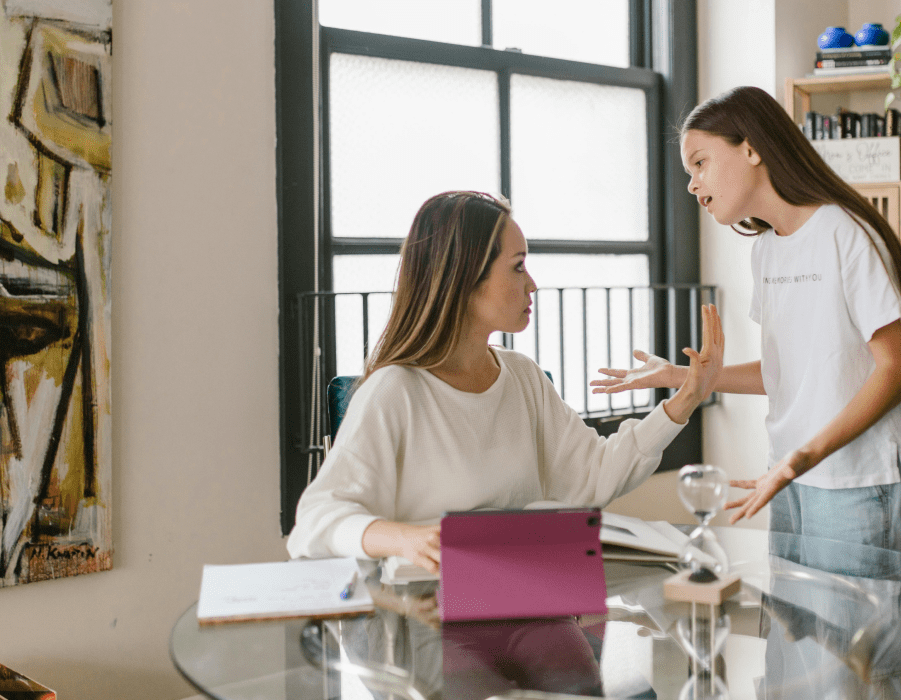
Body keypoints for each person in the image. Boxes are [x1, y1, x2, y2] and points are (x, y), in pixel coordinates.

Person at [592, 87, 901, 556]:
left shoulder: (844, 232)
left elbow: (899, 370)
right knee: (784, 609)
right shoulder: (766, 250)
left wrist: (801, 458)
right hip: (787, 476)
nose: (692, 185)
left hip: (856, 483)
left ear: (751, 149)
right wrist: (682, 376)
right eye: (689, 172)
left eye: (700, 163)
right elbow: (783, 374)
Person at [287, 191, 724, 572]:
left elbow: (592, 476)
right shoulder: (394, 391)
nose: (532, 284)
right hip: (427, 617)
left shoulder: (522, 376)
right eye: (517, 267)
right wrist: (405, 540)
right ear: (464, 277)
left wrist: (684, 400)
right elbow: (314, 521)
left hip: (529, 598)